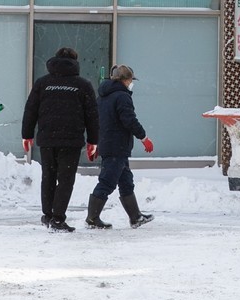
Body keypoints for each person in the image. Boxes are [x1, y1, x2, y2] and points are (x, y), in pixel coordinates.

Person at [21, 47, 98, 233]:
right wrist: (93, 140)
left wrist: (27, 134)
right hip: (71, 140)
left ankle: (48, 215)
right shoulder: (83, 85)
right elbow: (92, 115)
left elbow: (30, 110)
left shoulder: (43, 83)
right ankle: (58, 218)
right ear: (75, 62)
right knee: (65, 179)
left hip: (47, 139)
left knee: (48, 176)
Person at [87, 64, 154, 230]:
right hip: (116, 146)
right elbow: (129, 120)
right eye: (131, 79)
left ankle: (135, 217)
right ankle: (92, 218)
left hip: (111, 144)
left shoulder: (102, 96)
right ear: (125, 80)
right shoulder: (122, 97)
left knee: (126, 182)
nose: (132, 83)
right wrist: (143, 137)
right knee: (107, 182)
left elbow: (96, 120)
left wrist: (95, 142)